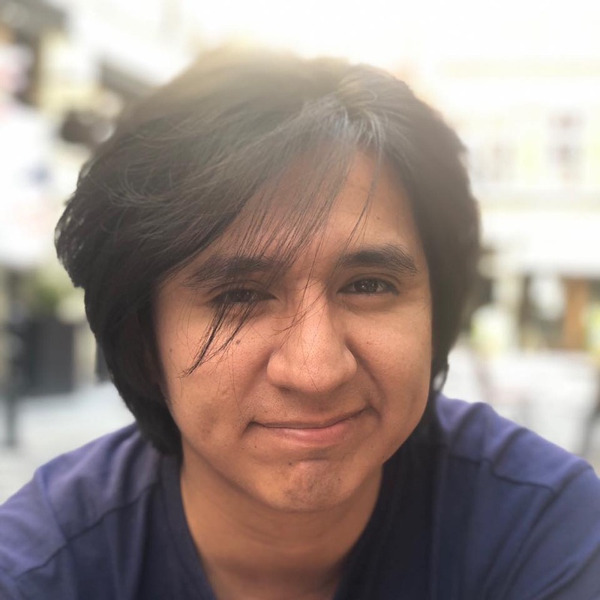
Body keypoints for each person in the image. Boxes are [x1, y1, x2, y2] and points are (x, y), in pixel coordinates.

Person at [1, 47, 599, 600]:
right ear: (142, 342)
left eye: (368, 285)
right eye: (238, 296)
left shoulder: (542, 527)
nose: (316, 371)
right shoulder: (42, 569)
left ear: (435, 312)